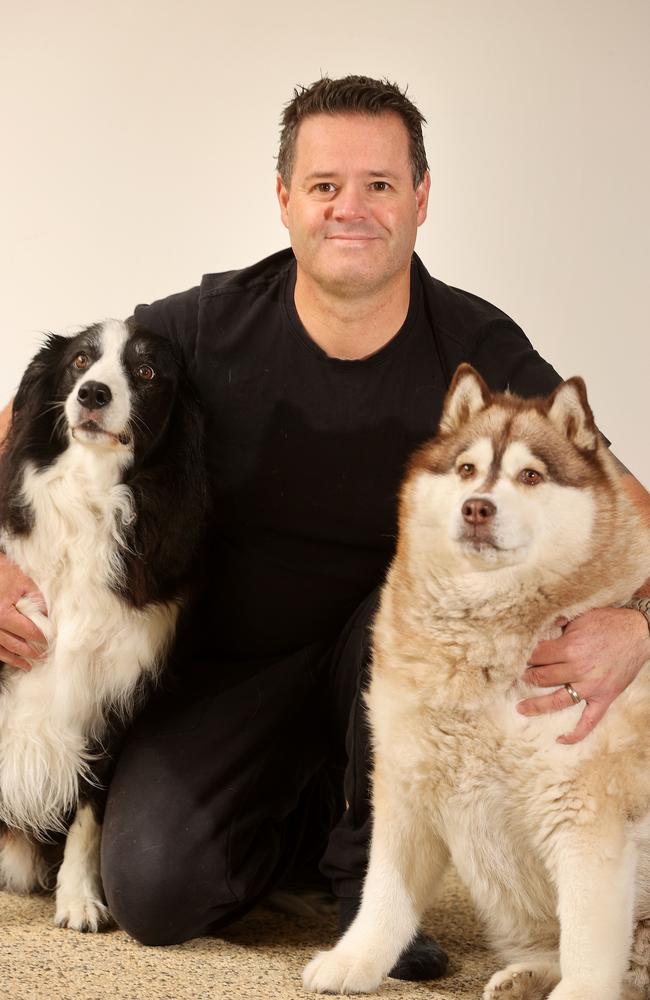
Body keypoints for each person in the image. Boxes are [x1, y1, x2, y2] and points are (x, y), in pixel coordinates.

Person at [1, 76, 649, 981]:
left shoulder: (475, 340)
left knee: (406, 610)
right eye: (325, 185)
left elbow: (621, 499)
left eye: (381, 184)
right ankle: (305, 821)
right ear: (284, 201)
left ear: (421, 199)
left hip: (395, 667)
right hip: (227, 675)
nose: (352, 208)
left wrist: (638, 619)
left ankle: (366, 881)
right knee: (153, 890)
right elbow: (33, 407)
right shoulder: (208, 322)